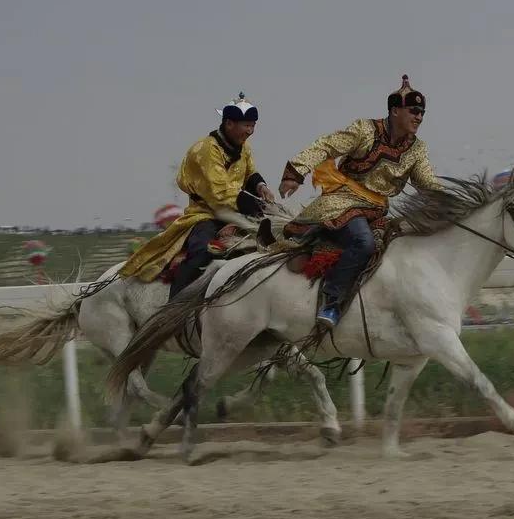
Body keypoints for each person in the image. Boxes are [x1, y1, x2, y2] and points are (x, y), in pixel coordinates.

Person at [277, 74, 442, 328]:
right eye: (414, 111)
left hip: (376, 211)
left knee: (397, 250)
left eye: (422, 113)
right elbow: (326, 146)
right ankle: (331, 302)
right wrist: (295, 172)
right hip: (343, 202)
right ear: (395, 111)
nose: (419, 117)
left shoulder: (417, 149)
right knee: (364, 244)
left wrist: (453, 204)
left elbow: (427, 183)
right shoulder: (365, 130)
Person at [120, 92, 275, 297]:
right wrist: (261, 208)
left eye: (253, 125)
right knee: (204, 252)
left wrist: (261, 187)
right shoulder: (206, 150)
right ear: (229, 123)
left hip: (238, 213)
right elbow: (221, 194)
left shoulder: (243, 146)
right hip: (205, 214)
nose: (250, 131)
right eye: (246, 125)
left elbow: (250, 173)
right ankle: (174, 305)